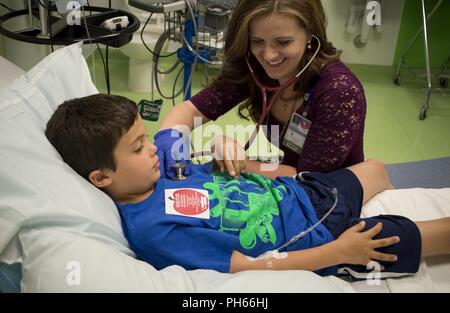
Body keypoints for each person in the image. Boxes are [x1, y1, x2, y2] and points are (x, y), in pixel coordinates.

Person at [45, 94, 450, 277]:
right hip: (319, 236)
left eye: (146, 137)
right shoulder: (156, 231)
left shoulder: (159, 167)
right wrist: (339, 252)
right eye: (137, 147)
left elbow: (177, 125)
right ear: (101, 178)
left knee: (375, 169)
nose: (152, 149)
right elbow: (249, 267)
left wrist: (220, 144)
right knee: (440, 235)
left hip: (300, 194)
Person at [158, 0, 367, 180]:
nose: (268, 55)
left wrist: (231, 159)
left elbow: (308, 178)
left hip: (331, 191)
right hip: (285, 176)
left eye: (283, 42)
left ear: (310, 34)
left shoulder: (339, 92)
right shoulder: (254, 69)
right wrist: (169, 136)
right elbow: (193, 110)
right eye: (257, 41)